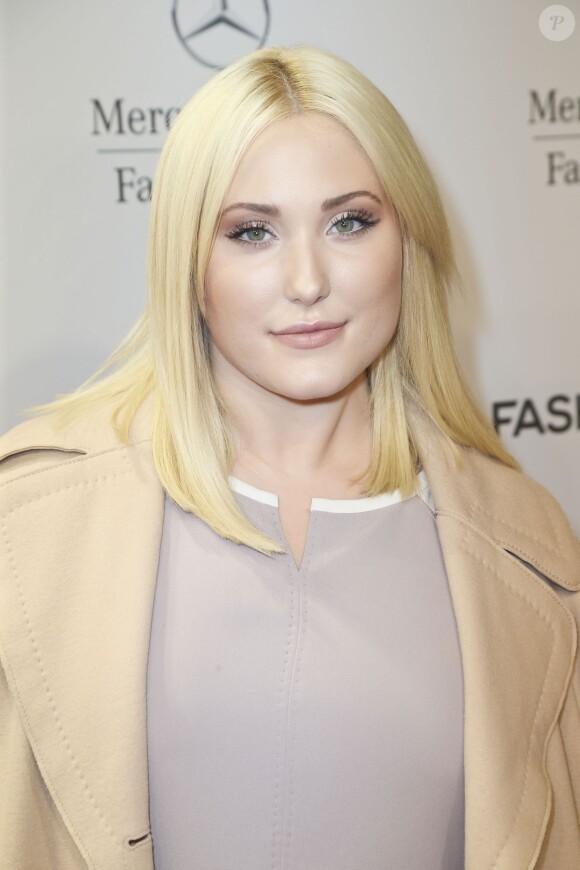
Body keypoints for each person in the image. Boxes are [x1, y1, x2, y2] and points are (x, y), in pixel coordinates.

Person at [0, 44, 578, 870]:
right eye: (252, 232)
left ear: (406, 239)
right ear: (188, 264)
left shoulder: (533, 546)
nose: (306, 279)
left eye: (349, 221)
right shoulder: (31, 523)